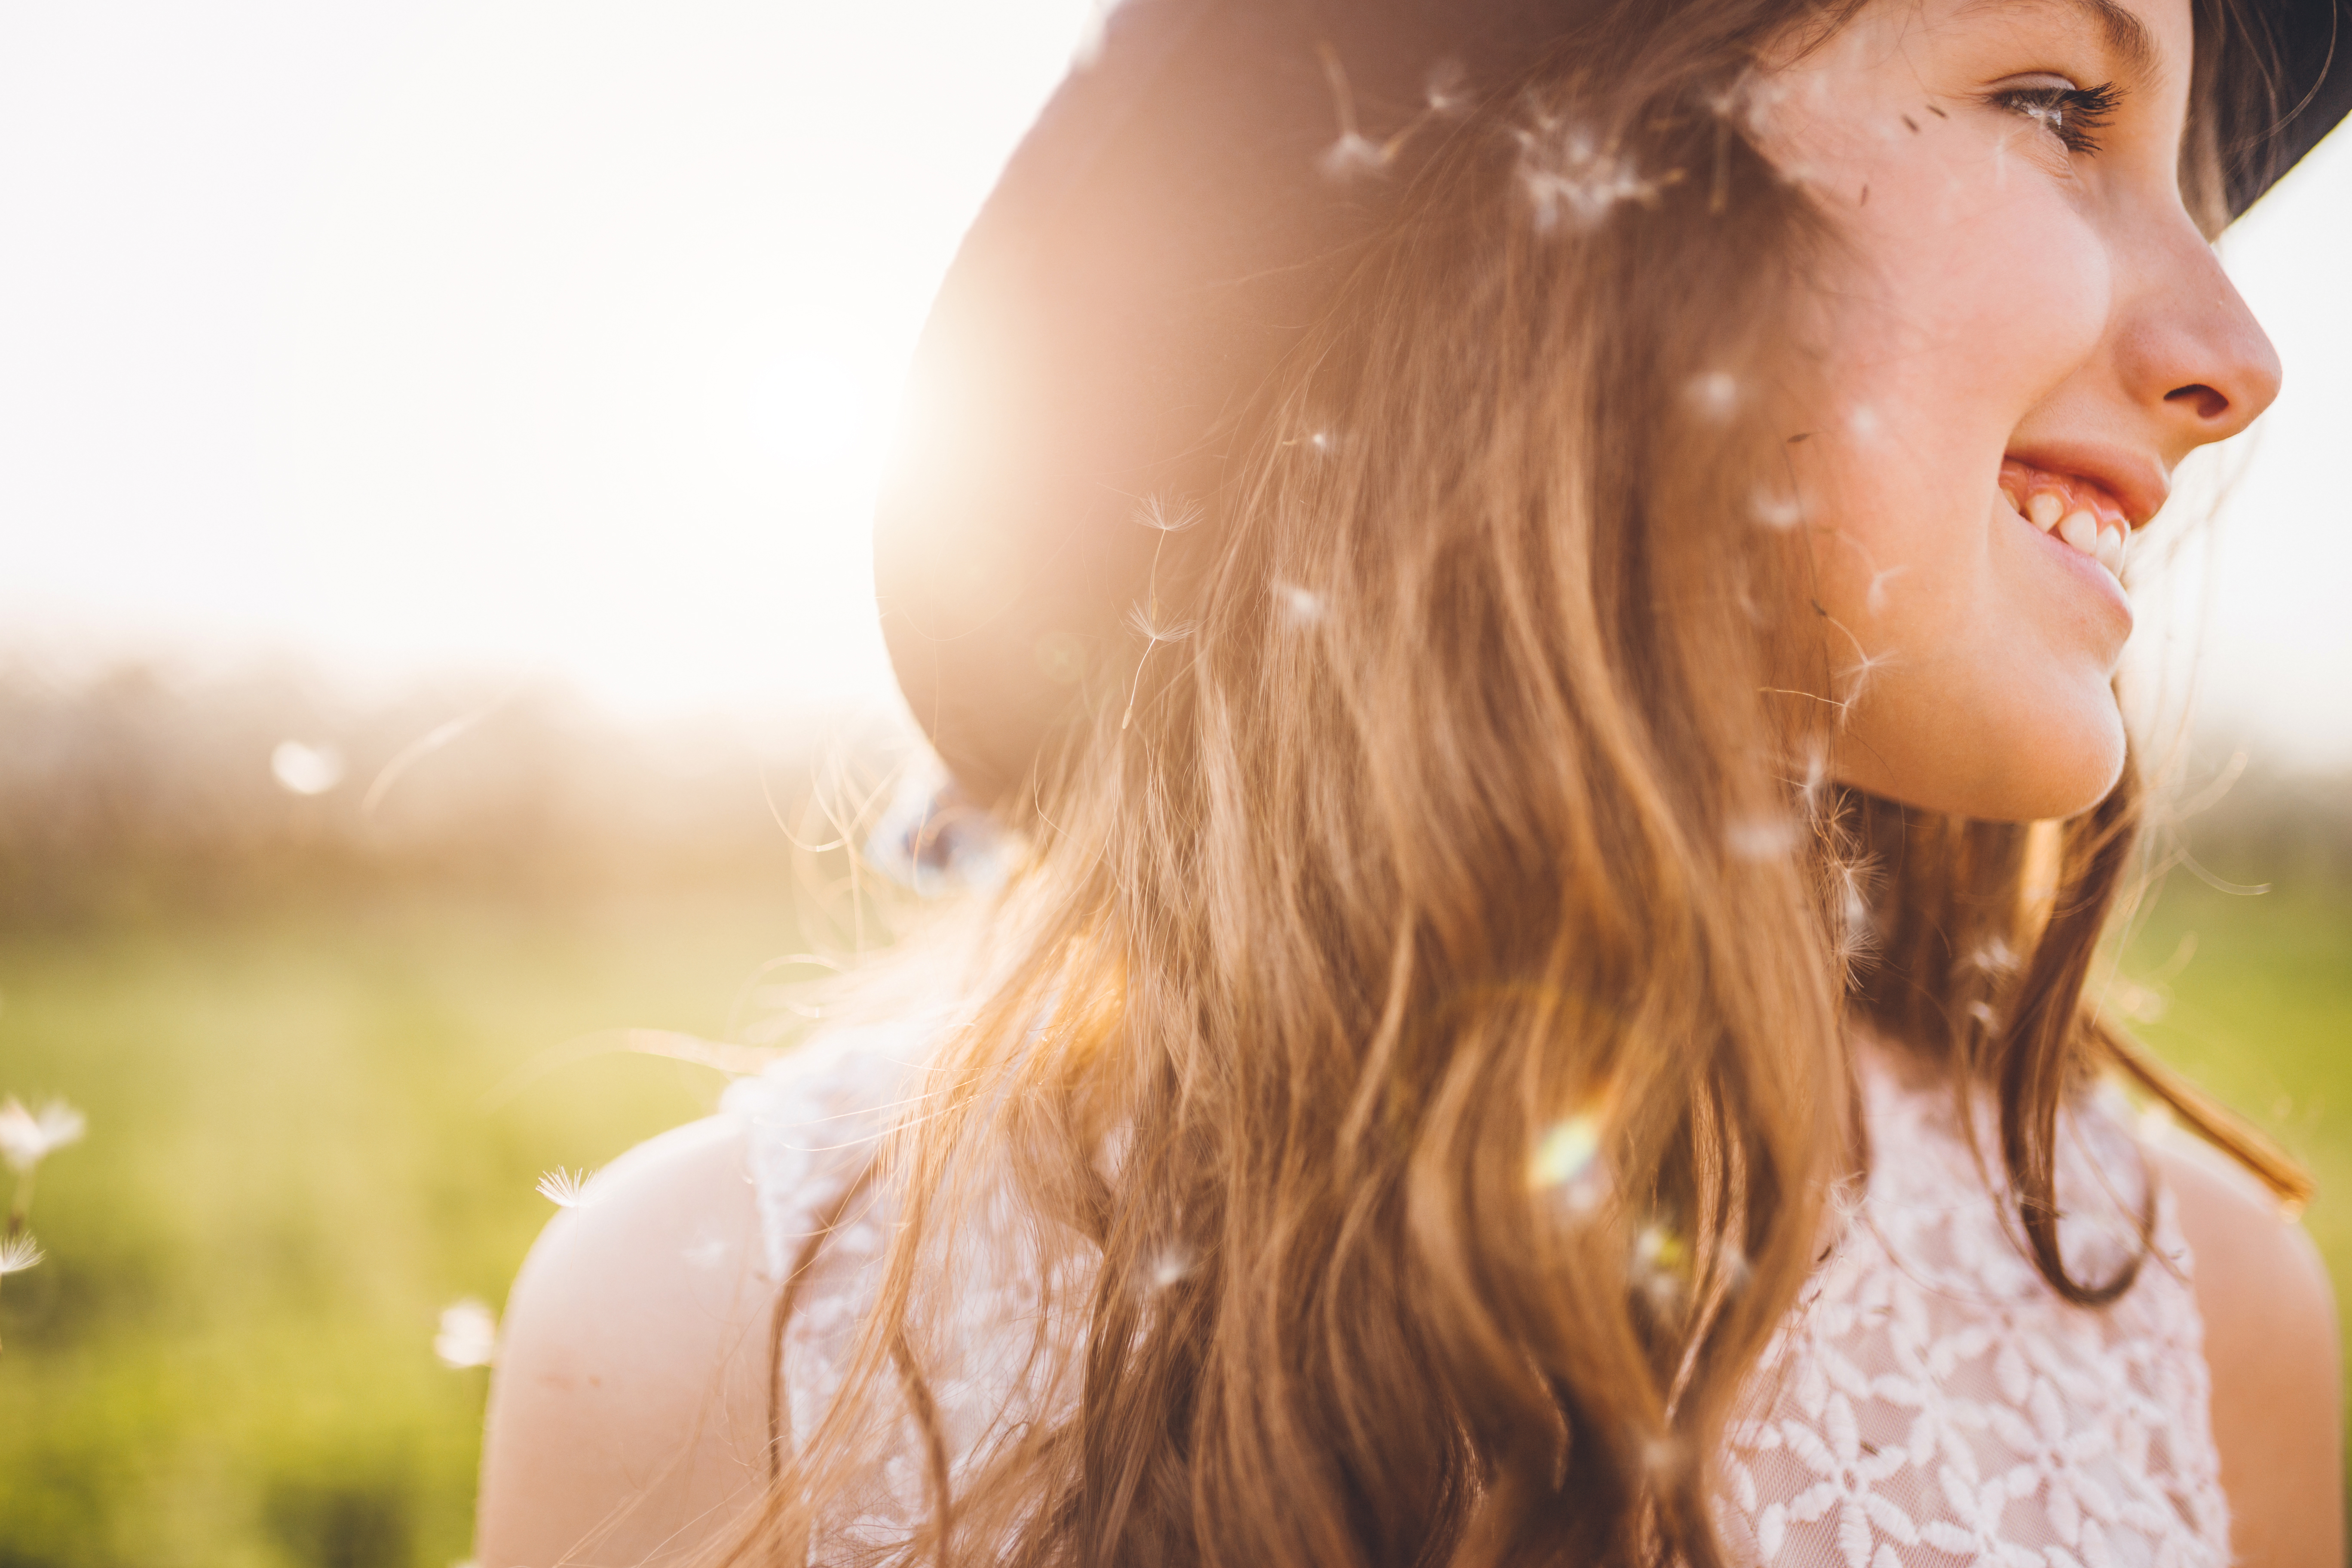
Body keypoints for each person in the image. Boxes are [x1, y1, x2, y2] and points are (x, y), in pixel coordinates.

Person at [475, 0, 2351, 1561]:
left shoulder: (2201, 1336)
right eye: (2060, 107)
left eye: (2191, 185)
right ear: (1576, 209)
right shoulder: (723, 1342)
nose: (2237, 353)